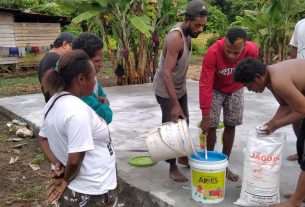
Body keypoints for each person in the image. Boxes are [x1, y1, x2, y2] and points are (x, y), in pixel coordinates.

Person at [38, 50, 117, 206]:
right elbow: (75, 160)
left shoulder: (54, 101)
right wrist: (65, 180)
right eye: (94, 77)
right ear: (81, 79)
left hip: (79, 190)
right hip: (92, 192)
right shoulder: (77, 111)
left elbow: (42, 139)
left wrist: (58, 164)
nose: (95, 81)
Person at [234, 57, 305, 207]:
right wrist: (269, 125)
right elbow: (286, 105)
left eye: (248, 84)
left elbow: (302, 110)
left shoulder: (279, 81)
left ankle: (294, 202)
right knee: (301, 147)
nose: (249, 89)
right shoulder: (270, 77)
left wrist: (276, 125)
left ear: (258, 77)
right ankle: (301, 194)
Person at [153, 0, 208, 182]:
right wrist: (175, 104)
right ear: (186, 19)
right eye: (197, 25)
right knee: (172, 127)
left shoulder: (188, 33)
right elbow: (166, 73)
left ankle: (183, 156)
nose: (200, 29)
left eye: (202, 25)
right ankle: (172, 167)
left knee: (184, 123)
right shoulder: (175, 38)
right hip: (166, 89)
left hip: (179, 87)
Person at [199, 28, 259, 181]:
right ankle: (209, 162)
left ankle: (224, 165)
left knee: (231, 124)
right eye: (228, 51)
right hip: (215, 89)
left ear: (244, 47)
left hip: (236, 88)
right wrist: (205, 114)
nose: (231, 56)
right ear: (224, 41)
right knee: (210, 125)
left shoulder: (252, 50)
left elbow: (253, 70)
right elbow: (205, 83)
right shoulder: (213, 52)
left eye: (236, 53)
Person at [72, 32, 113, 124]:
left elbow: (102, 95)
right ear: (82, 60)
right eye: (97, 61)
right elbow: (105, 116)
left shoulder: (92, 81)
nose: (101, 65)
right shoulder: (79, 88)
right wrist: (105, 105)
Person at [37, 32, 75, 102]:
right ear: (65, 44)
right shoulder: (57, 60)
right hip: (60, 103)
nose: (74, 51)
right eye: (73, 47)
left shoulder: (45, 58)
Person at [287, 18, 305, 161]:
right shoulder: (301, 23)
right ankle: (301, 149)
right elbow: (294, 48)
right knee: (296, 114)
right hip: (299, 78)